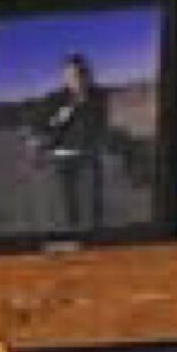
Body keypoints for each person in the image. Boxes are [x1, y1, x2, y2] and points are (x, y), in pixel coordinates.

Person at [35, 51, 111, 238]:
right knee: (66, 213)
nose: (76, 79)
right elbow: (40, 127)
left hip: (88, 160)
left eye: (80, 73)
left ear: (88, 74)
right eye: (70, 75)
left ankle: (93, 245)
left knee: (92, 212)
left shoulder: (99, 96)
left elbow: (101, 125)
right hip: (60, 163)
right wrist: (59, 118)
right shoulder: (55, 99)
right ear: (64, 77)